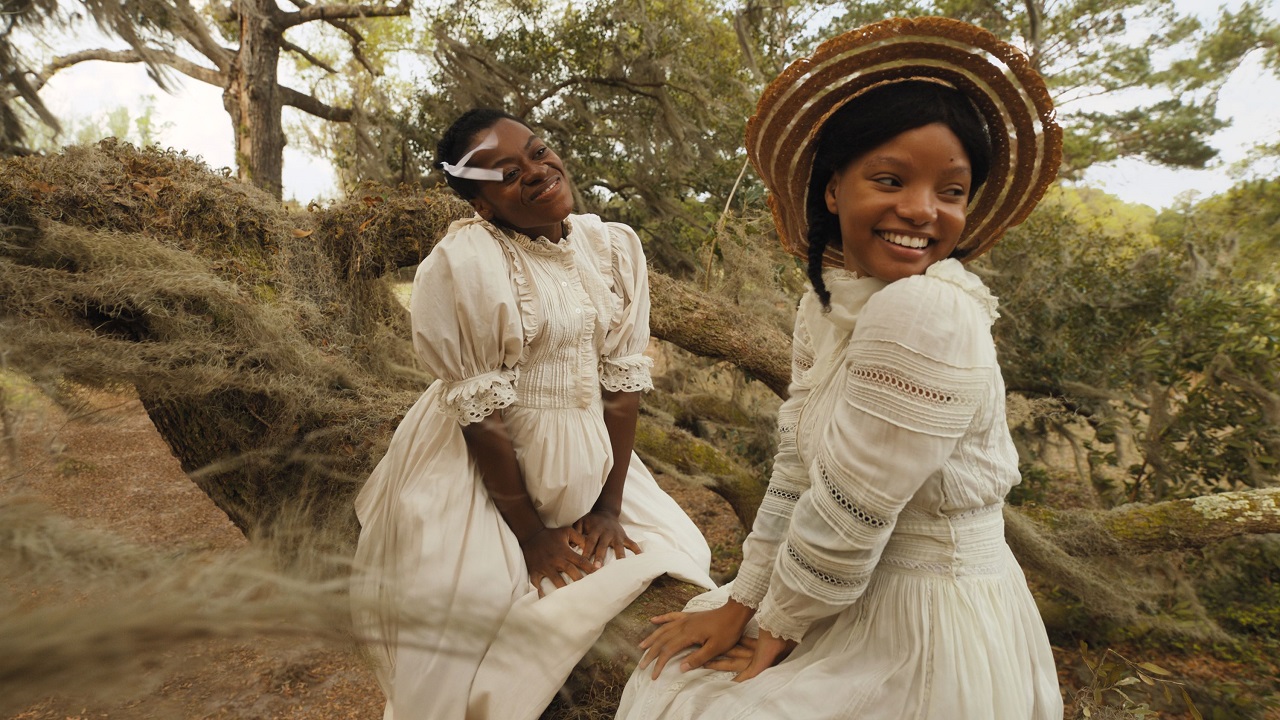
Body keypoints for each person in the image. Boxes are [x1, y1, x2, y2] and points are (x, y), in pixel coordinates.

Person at [616, 17, 1064, 720]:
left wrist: (778, 623)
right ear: (832, 190)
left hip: (921, 622)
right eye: (890, 179)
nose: (921, 211)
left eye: (951, 192)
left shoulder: (927, 311)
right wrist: (742, 597)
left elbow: (854, 510)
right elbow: (799, 472)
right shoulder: (827, 307)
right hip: (851, 595)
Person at [351, 108, 714, 720]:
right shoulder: (468, 262)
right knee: (465, 627)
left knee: (681, 552)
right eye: (507, 172)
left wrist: (608, 504)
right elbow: (479, 415)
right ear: (483, 204)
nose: (537, 172)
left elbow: (621, 385)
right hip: (487, 466)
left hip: (587, 454)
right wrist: (530, 536)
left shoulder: (611, 247)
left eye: (538, 152)